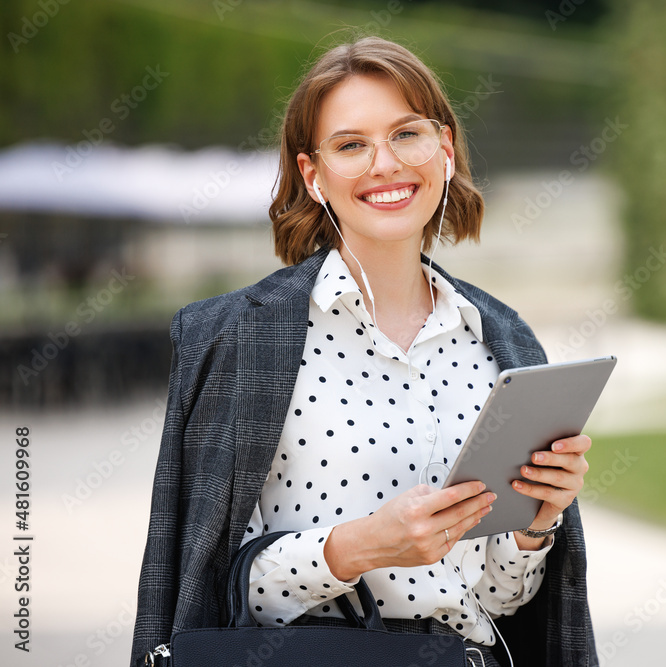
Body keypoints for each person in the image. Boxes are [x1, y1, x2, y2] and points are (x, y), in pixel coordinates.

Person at [130, 35, 599, 667]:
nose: (385, 163)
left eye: (407, 134)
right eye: (351, 145)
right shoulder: (234, 337)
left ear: (445, 150)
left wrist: (535, 525)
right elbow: (212, 588)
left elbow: (499, 599)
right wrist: (358, 547)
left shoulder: (502, 339)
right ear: (312, 174)